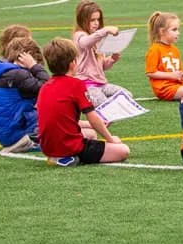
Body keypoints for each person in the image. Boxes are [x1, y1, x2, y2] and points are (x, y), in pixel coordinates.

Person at [37, 38, 130, 167]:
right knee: (123, 150)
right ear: (72, 63)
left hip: (47, 147)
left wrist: (90, 125)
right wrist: (111, 139)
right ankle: (64, 159)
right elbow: (92, 117)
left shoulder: (45, 86)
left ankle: (58, 156)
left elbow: (60, 118)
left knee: (91, 134)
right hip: (69, 146)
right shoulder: (76, 84)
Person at [0, 37, 49, 153]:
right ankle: (24, 142)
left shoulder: (6, 71)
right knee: (58, 133)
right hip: (15, 131)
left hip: (5, 131)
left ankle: (23, 141)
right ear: (27, 56)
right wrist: (34, 66)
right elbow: (47, 88)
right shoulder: (19, 75)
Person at [72, 0, 132, 108]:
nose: (96, 23)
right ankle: (97, 123)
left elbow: (102, 66)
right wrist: (105, 30)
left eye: (98, 19)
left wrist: (112, 60)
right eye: (92, 20)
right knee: (106, 107)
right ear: (82, 20)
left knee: (127, 96)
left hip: (101, 84)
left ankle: (100, 123)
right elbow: (85, 43)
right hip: (86, 85)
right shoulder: (79, 35)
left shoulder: (97, 37)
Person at [145, 11, 183, 101]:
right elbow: (150, 73)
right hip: (165, 89)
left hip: (177, 85)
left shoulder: (175, 50)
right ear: (162, 31)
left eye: (178, 29)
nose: (178, 33)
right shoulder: (155, 49)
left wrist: (181, 76)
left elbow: (177, 71)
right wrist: (171, 75)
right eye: (174, 30)